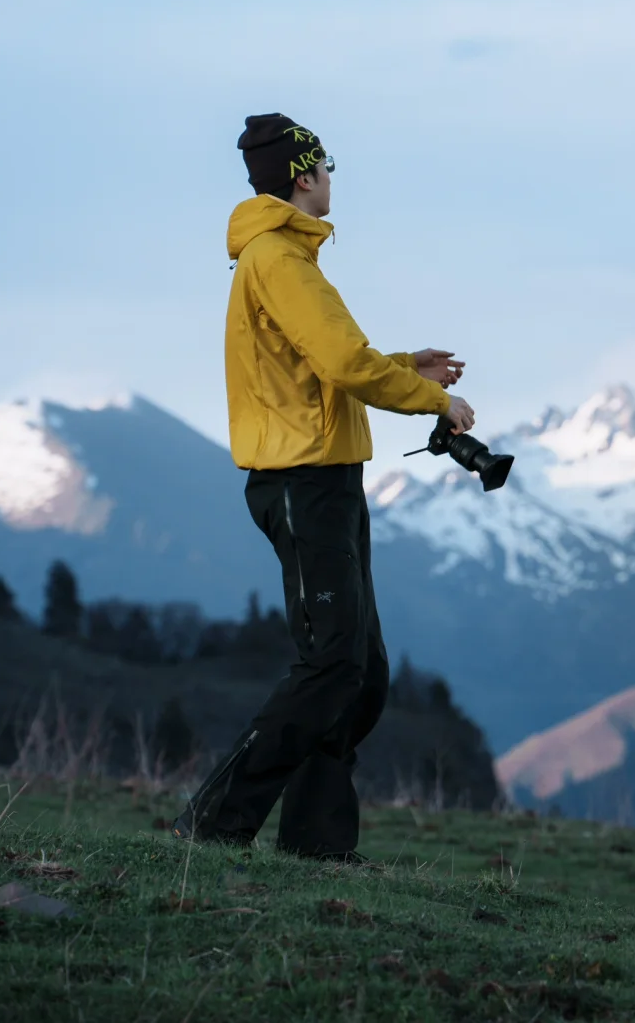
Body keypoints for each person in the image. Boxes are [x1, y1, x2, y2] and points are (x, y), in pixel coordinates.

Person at [171, 113, 474, 860]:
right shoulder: (279, 258)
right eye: (326, 166)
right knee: (332, 664)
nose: (332, 178)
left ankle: (314, 846)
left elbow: (323, 362)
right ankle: (213, 823)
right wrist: (437, 401)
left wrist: (407, 365)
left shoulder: (282, 259)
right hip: (302, 480)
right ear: (303, 175)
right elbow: (342, 364)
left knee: (359, 674)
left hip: (325, 476)